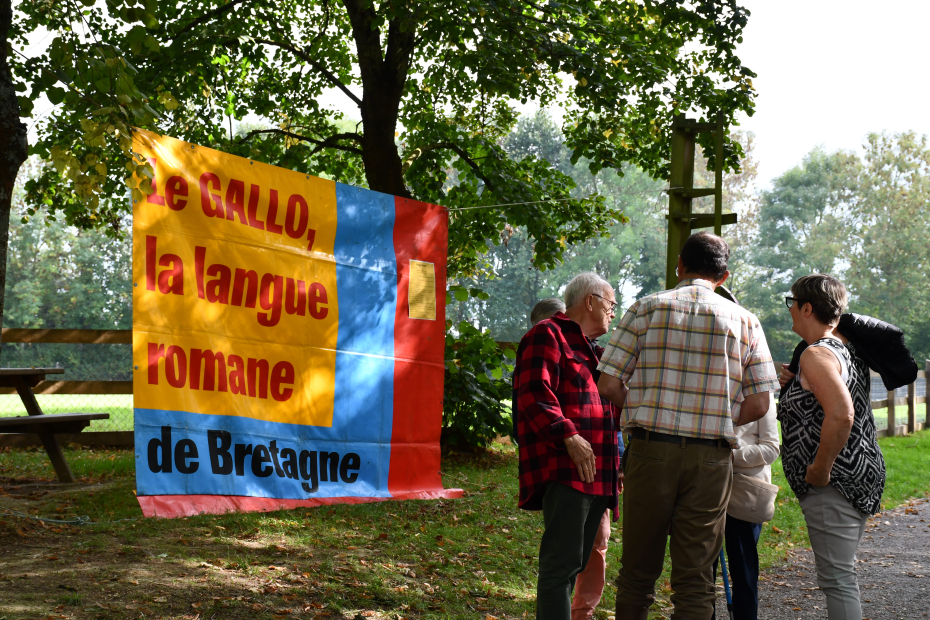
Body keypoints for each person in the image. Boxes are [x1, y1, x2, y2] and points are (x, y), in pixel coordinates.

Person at [596, 231, 779, 620]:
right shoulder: (747, 321)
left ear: (679, 266)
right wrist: (715, 418)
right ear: (724, 276)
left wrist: (646, 407)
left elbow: (608, 384)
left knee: (637, 574)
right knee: (696, 580)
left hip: (650, 450)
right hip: (711, 459)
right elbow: (760, 403)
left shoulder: (645, 309)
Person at [777, 274, 885, 620]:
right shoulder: (844, 348)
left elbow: (841, 414)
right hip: (859, 470)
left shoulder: (817, 354)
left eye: (792, 303)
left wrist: (820, 468)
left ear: (807, 308)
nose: (790, 309)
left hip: (834, 480)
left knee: (837, 579)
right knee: (841, 573)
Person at [514, 273, 621, 620]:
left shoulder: (595, 351)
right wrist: (569, 436)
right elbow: (533, 393)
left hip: (599, 474)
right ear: (590, 301)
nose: (614, 312)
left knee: (576, 563)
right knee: (560, 566)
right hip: (566, 469)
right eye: (611, 304)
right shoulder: (547, 334)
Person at [713, 395, 779, 620]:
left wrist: (730, 457)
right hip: (705, 484)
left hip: (745, 491)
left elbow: (771, 448)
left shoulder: (761, 394)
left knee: (744, 569)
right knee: (702, 569)